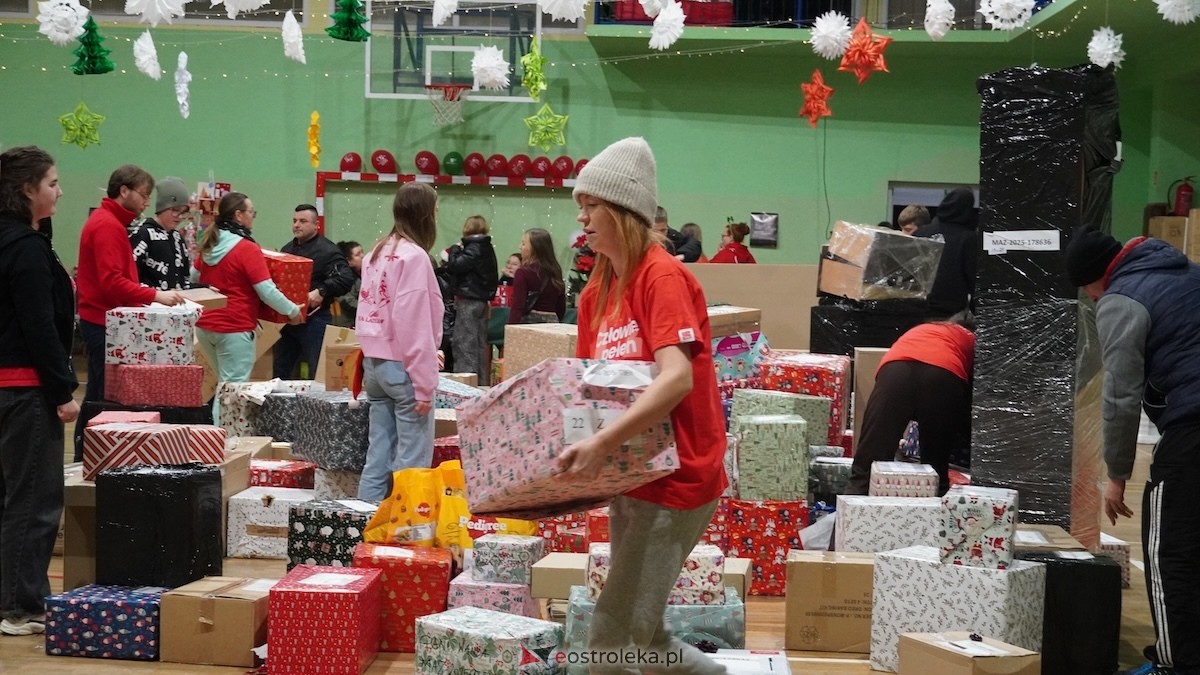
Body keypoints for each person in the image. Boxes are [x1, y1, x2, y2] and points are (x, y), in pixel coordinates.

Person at [556, 137, 728, 675]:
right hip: (631, 476)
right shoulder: (595, 294)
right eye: (579, 207)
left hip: (679, 480)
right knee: (646, 638)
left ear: (623, 210)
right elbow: (589, 386)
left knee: (611, 636)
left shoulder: (664, 277)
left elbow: (675, 379)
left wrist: (602, 443)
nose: (581, 219)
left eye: (591, 207)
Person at [1065, 227, 1200, 675]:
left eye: (1086, 288)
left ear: (1094, 279)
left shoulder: (1121, 299)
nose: (1089, 296)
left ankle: (1175, 663)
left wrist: (1117, 475)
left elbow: (1120, 395)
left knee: (1170, 552)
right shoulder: (1184, 273)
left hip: (1193, 428)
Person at [0, 146, 78, 636]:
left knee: (10, 498)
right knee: (33, 500)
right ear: (27, 190)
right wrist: (62, 389)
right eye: (52, 183)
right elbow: (39, 327)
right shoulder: (25, 249)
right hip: (25, 390)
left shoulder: (19, 240)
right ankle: (21, 605)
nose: (60, 191)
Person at [75, 165, 184, 459]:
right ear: (124, 191)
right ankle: (87, 457)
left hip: (107, 321)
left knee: (102, 394)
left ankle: (89, 455)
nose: (147, 202)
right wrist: (156, 295)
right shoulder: (107, 225)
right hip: (103, 323)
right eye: (144, 195)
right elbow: (112, 283)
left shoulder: (111, 223)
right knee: (101, 398)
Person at [355, 183, 443, 502]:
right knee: (412, 463)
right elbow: (413, 321)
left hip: (374, 365)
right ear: (425, 215)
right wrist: (424, 382)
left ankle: (364, 526)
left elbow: (375, 312)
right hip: (403, 368)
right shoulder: (414, 257)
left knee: (377, 455)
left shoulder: (377, 251)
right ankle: (403, 537)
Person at [192, 193, 302, 418]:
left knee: (225, 384)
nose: (253, 217)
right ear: (238, 215)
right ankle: (222, 443)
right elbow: (267, 290)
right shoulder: (246, 248)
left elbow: (193, 277)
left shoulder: (210, 242)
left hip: (205, 327)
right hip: (234, 326)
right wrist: (292, 310)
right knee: (231, 390)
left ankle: (219, 440)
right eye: (252, 212)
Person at [845, 315, 975, 496]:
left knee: (868, 461)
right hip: (944, 373)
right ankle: (934, 517)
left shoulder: (923, 328)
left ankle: (850, 516)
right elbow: (974, 401)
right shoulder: (972, 339)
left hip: (896, 370)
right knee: (935, 466)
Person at [274, 204, 356, 379]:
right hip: (288, 320)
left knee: (318, 370)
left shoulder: (328, 251)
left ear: (315, 224)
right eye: (294, 221)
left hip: (315, 320)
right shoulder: (287, 249)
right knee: (281, 370)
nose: (297, 225)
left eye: (303, 221)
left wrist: (322, 290)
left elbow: (346, 278)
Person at [443, 215, 498, 385]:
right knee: (480, 345)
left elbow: (456, 265)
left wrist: (453, 251)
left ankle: (464, 384)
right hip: (481, 301)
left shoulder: (473, 247)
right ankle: (480, 383)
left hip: (468, 300)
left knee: (464, 344)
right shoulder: (487, 247)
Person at [914, 188, 979, 317]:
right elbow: (972, 276)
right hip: (950, 309)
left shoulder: (922, 232)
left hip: (918, 304)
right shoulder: (968, 237)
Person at [129, 177, 192, 291]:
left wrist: (204, 287)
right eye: (175, 210)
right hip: (149, 305)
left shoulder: (177, 238)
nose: (180, 217)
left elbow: (183, 282)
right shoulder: (144, 233)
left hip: (175, 306)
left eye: (184, 212)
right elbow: (130, 278)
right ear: (162, 208)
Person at [508, 228, 565, 325]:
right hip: (552, 325)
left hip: (530, 325)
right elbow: (561, 306)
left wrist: (511, 329)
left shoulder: (523, 272)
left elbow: (518, 306)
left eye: (523, 244)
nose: (520, 247)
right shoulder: (555, 270)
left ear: (534, 248)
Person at [334, 240, 364, 327]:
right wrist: (368, 308)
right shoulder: (345, 278)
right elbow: (348, 302)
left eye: (362, 252)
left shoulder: (363, 275)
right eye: (357, 254)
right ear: (348, 261)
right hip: (348, 325)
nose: (363, 256)